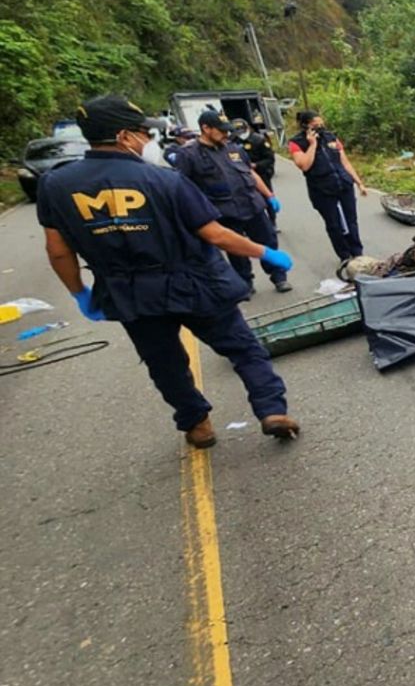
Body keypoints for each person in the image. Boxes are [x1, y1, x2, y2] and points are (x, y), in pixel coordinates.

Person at [36, 95, 300, 448]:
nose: (147, 139)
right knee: (243, 349)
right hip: (193, 282)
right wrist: (265, 251)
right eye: (142, 132)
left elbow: (58, 251)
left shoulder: (56, 185)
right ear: (123, 136)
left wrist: (79, 293)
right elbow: (214, 234)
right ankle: (271, 410)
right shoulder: (163, 180)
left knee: (165, 363)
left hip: (130, 293)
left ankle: (197, 424)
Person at [171, 110, 291, 295]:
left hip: (252, 205)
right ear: (206, 128)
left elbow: (250, 173)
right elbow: (183, 187)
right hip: (223, 211)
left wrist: (269, 195)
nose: (226, 134)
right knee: (237, 250)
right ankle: (245, 283)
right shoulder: (189, 155)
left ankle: (279, 277)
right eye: (221, 130)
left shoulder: (233, 148)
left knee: (268, 242)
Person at [288, 110, 367, 262]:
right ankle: (344, 256)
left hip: (343, 183)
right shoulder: (296, 143)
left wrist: (359, 183)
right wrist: (312, 144)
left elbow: (345, 162)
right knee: (334, 224)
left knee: (351, 221)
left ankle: (358, 253)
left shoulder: (330, 137)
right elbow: (304, 165)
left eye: (321, 124)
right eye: (315, 125)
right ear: (305, 126)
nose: (320, 127)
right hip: (321, 190)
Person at [233, 117, 278, 225]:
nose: (241, 134)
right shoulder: (233, 141)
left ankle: (273, 221)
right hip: (242, 175)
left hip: (261, 173)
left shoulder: (259, 140)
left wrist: (256, 165)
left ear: (247, 128)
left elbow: (269, 158)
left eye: (242, 130)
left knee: (267, 197)